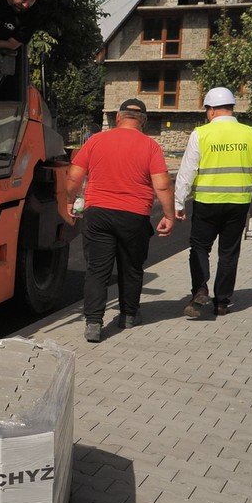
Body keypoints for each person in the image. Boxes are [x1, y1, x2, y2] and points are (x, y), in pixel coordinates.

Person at [65, 99, 175, 342]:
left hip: (98, 213)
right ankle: (128, 315)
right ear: (143, 121)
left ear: (117, 117)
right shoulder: (150, 146)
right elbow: (162, 185)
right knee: (131, 268)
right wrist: (169, 215)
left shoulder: (95, 140)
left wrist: (69, 201)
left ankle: (93, 322)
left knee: (97, 269)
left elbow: (74, 175)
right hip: (134, 216)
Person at [174, 87, 252, 317]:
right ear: (231, 108)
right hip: (238, 203)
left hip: (207, 202)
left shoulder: (201, 134)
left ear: (211, 110)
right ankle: (222, 302)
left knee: (199, 248)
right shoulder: (251, 134)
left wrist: (179, 203)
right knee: (229, 253)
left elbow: (187, 172)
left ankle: (200, 289)